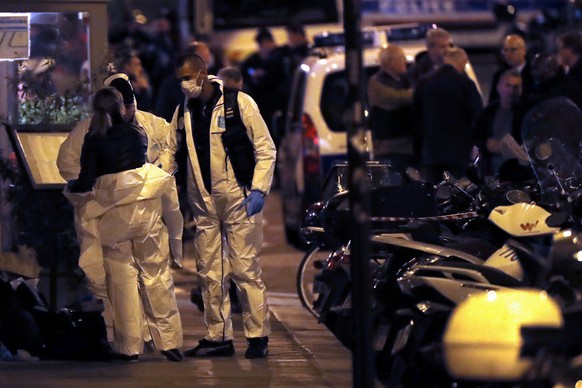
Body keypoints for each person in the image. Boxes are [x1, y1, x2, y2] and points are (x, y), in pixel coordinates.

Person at [64, 87, 184, 362]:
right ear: (121, 107)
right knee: (156, 274)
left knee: (122, 279)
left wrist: (73, 187)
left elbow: (85, 181)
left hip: (114, 218)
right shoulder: (138, 134)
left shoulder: (93, 139)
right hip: (147, 212)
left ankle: (129, 347)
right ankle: (170, 343)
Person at [172, 53, 276, 359]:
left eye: (187, 77)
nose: (184, 84)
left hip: (237, 197)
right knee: (209, 273)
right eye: (180, 79)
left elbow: (265, 147)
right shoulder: (183, 112)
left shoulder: (239, 104)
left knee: (245, 269)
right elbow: (170, 150)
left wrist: (259, 189)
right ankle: (218, 336)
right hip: (203, 203)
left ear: (203, 73)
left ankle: (258, 336)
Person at [57, 73, 176, 295]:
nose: (129, 111)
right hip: (119, 210)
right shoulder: (93, 132)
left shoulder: (150, 125)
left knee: (146, 280)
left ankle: (148, 330)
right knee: (126, 283)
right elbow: (67, 161)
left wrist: (162, 168)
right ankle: (126, 330)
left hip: (137, 209)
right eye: (125, 105)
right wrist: (96, 188)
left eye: (131, 105)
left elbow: (172, 146)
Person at [413, 47, 483, 183]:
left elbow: (416, 118)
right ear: (462, 62)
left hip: (431, 153)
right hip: (458, 152)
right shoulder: (465, 84)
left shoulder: (424, 82)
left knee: (433, 194)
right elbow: (477, 116)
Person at [367, 44, 415, 173]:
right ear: (388, 62)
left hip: (408, 147)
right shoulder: (376, 83)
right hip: (391, 149)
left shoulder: (405, 80)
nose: (405, 61)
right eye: (401, 58)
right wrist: (416, 92)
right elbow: (397, 98)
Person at [473, 70, 528, 176]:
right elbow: (477, 137)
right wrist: (486, 146)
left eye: (516, 87)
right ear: (499, 87)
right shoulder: (488, 112)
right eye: (508, 86)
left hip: (517, 172)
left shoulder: (524, 112)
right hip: (490, 171)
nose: (511, 91)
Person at [240, 27, 286, 143]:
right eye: (262, 44)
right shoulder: (251, 60)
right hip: (259, 103)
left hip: (276, 103)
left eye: (266, 43)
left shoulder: (280, 58)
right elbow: (244, 75)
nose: (264, 47)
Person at [488, 34, 534, 104]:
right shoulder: (499, 75)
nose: (508, 54)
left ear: (524, 50)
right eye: (505, 50)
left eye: (513, 50)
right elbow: (493, 102)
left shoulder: (533, 73)